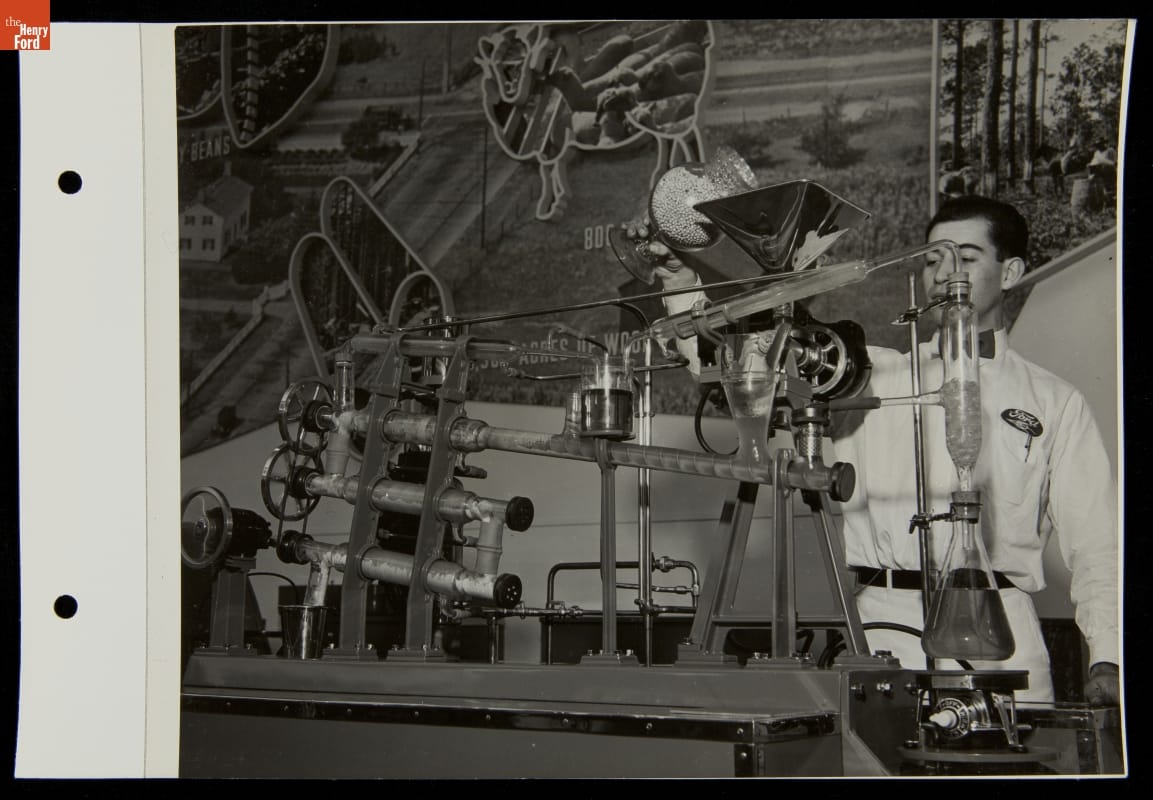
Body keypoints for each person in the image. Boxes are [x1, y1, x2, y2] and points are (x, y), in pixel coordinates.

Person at [628, 195, 1120, 706]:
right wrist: (679, 284)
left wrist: (1107, 656)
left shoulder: (1055, 401)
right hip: (881, 630)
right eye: (932, 260)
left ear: (1011, 271)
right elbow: (743, 368)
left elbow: (1098, 545)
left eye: (967, 258)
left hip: (1004, 636)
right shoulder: (864, 373)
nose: (944, 273)